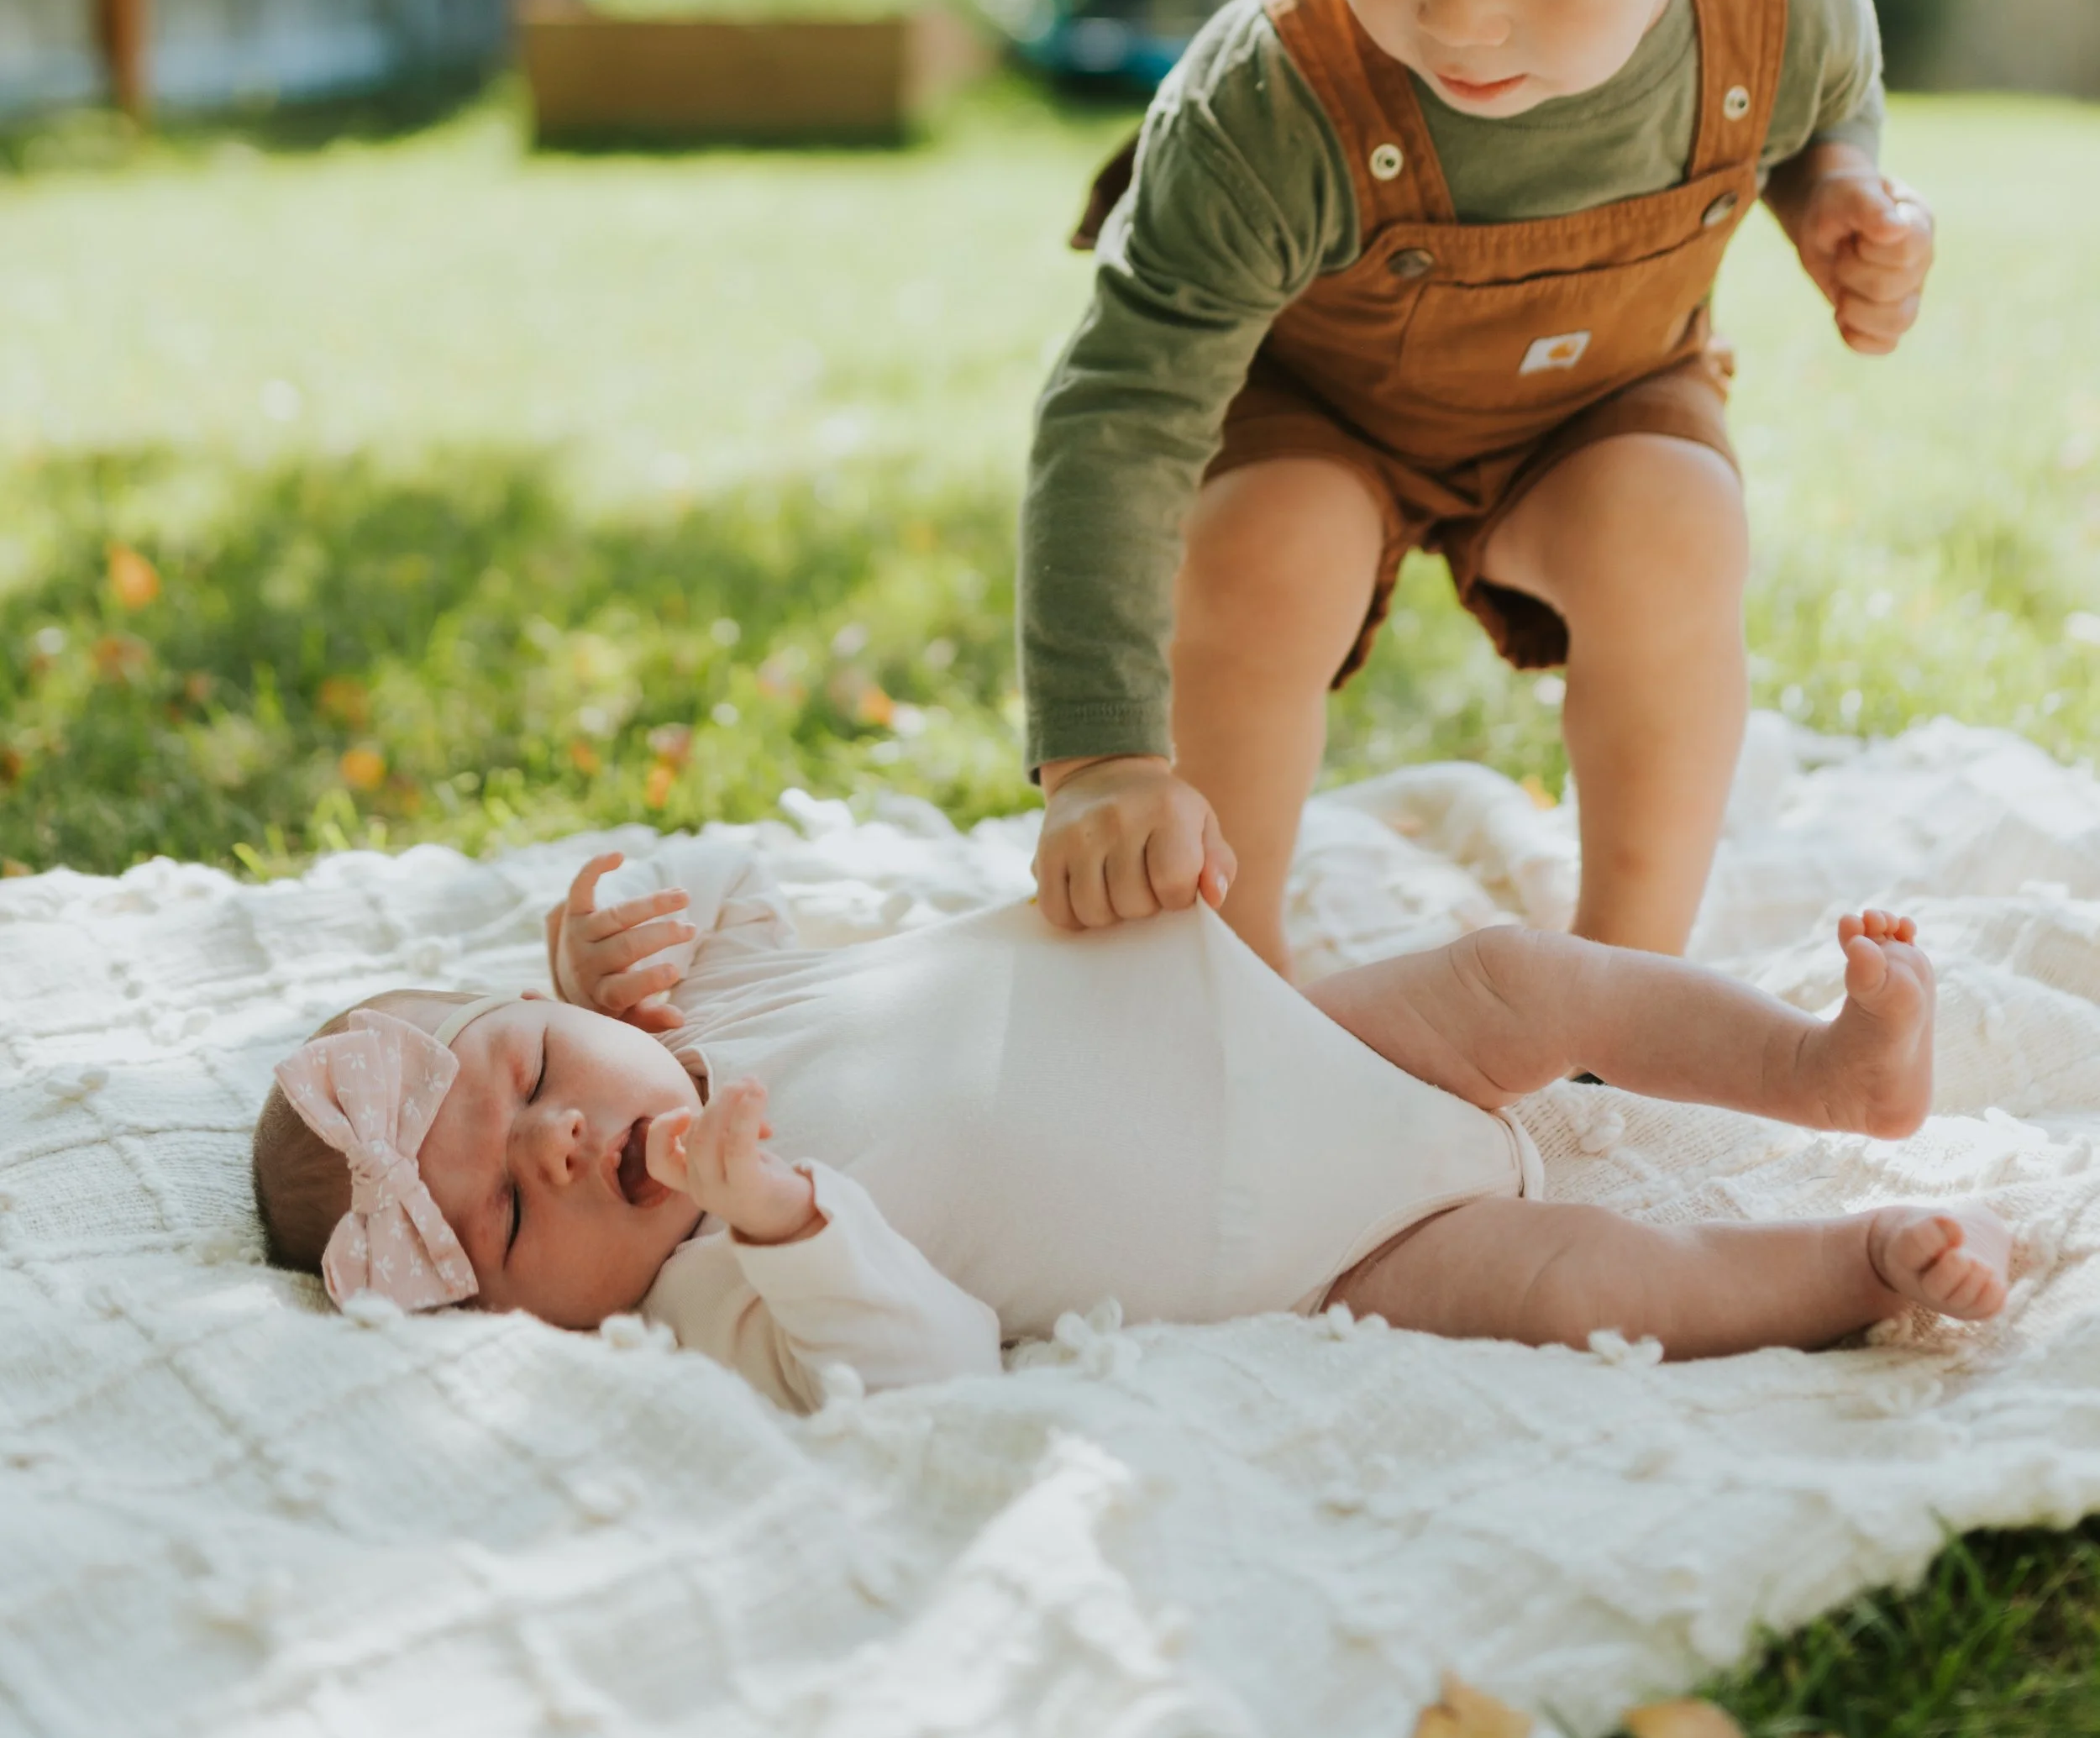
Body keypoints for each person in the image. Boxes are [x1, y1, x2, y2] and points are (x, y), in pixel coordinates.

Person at [1023, 0, 1938, 972]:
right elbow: (1120, 406)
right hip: (1319, 420)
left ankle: (1624, 979)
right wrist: (1102, 757)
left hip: (1591, 415)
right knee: (1267, 551)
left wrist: (1837, 200)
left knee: (1678, 523)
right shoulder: (1272, 101)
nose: (1461, 13)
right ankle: (1216, 979)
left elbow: (1826, 105)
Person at [252, 849, 2013, 1412]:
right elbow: (931, 1360)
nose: (556, 1149)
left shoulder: (702, 1019)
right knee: (1568, 1284)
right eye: (498, 1218)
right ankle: (1848, 1268)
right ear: (512, 1321)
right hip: (1322, 1253)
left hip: (1293, 1034)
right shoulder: (719, 1304)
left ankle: (1824, 1071)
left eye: (533, 1083)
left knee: (1511, 977)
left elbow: (714, 893)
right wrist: (783, 1216)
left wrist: (601, 956)